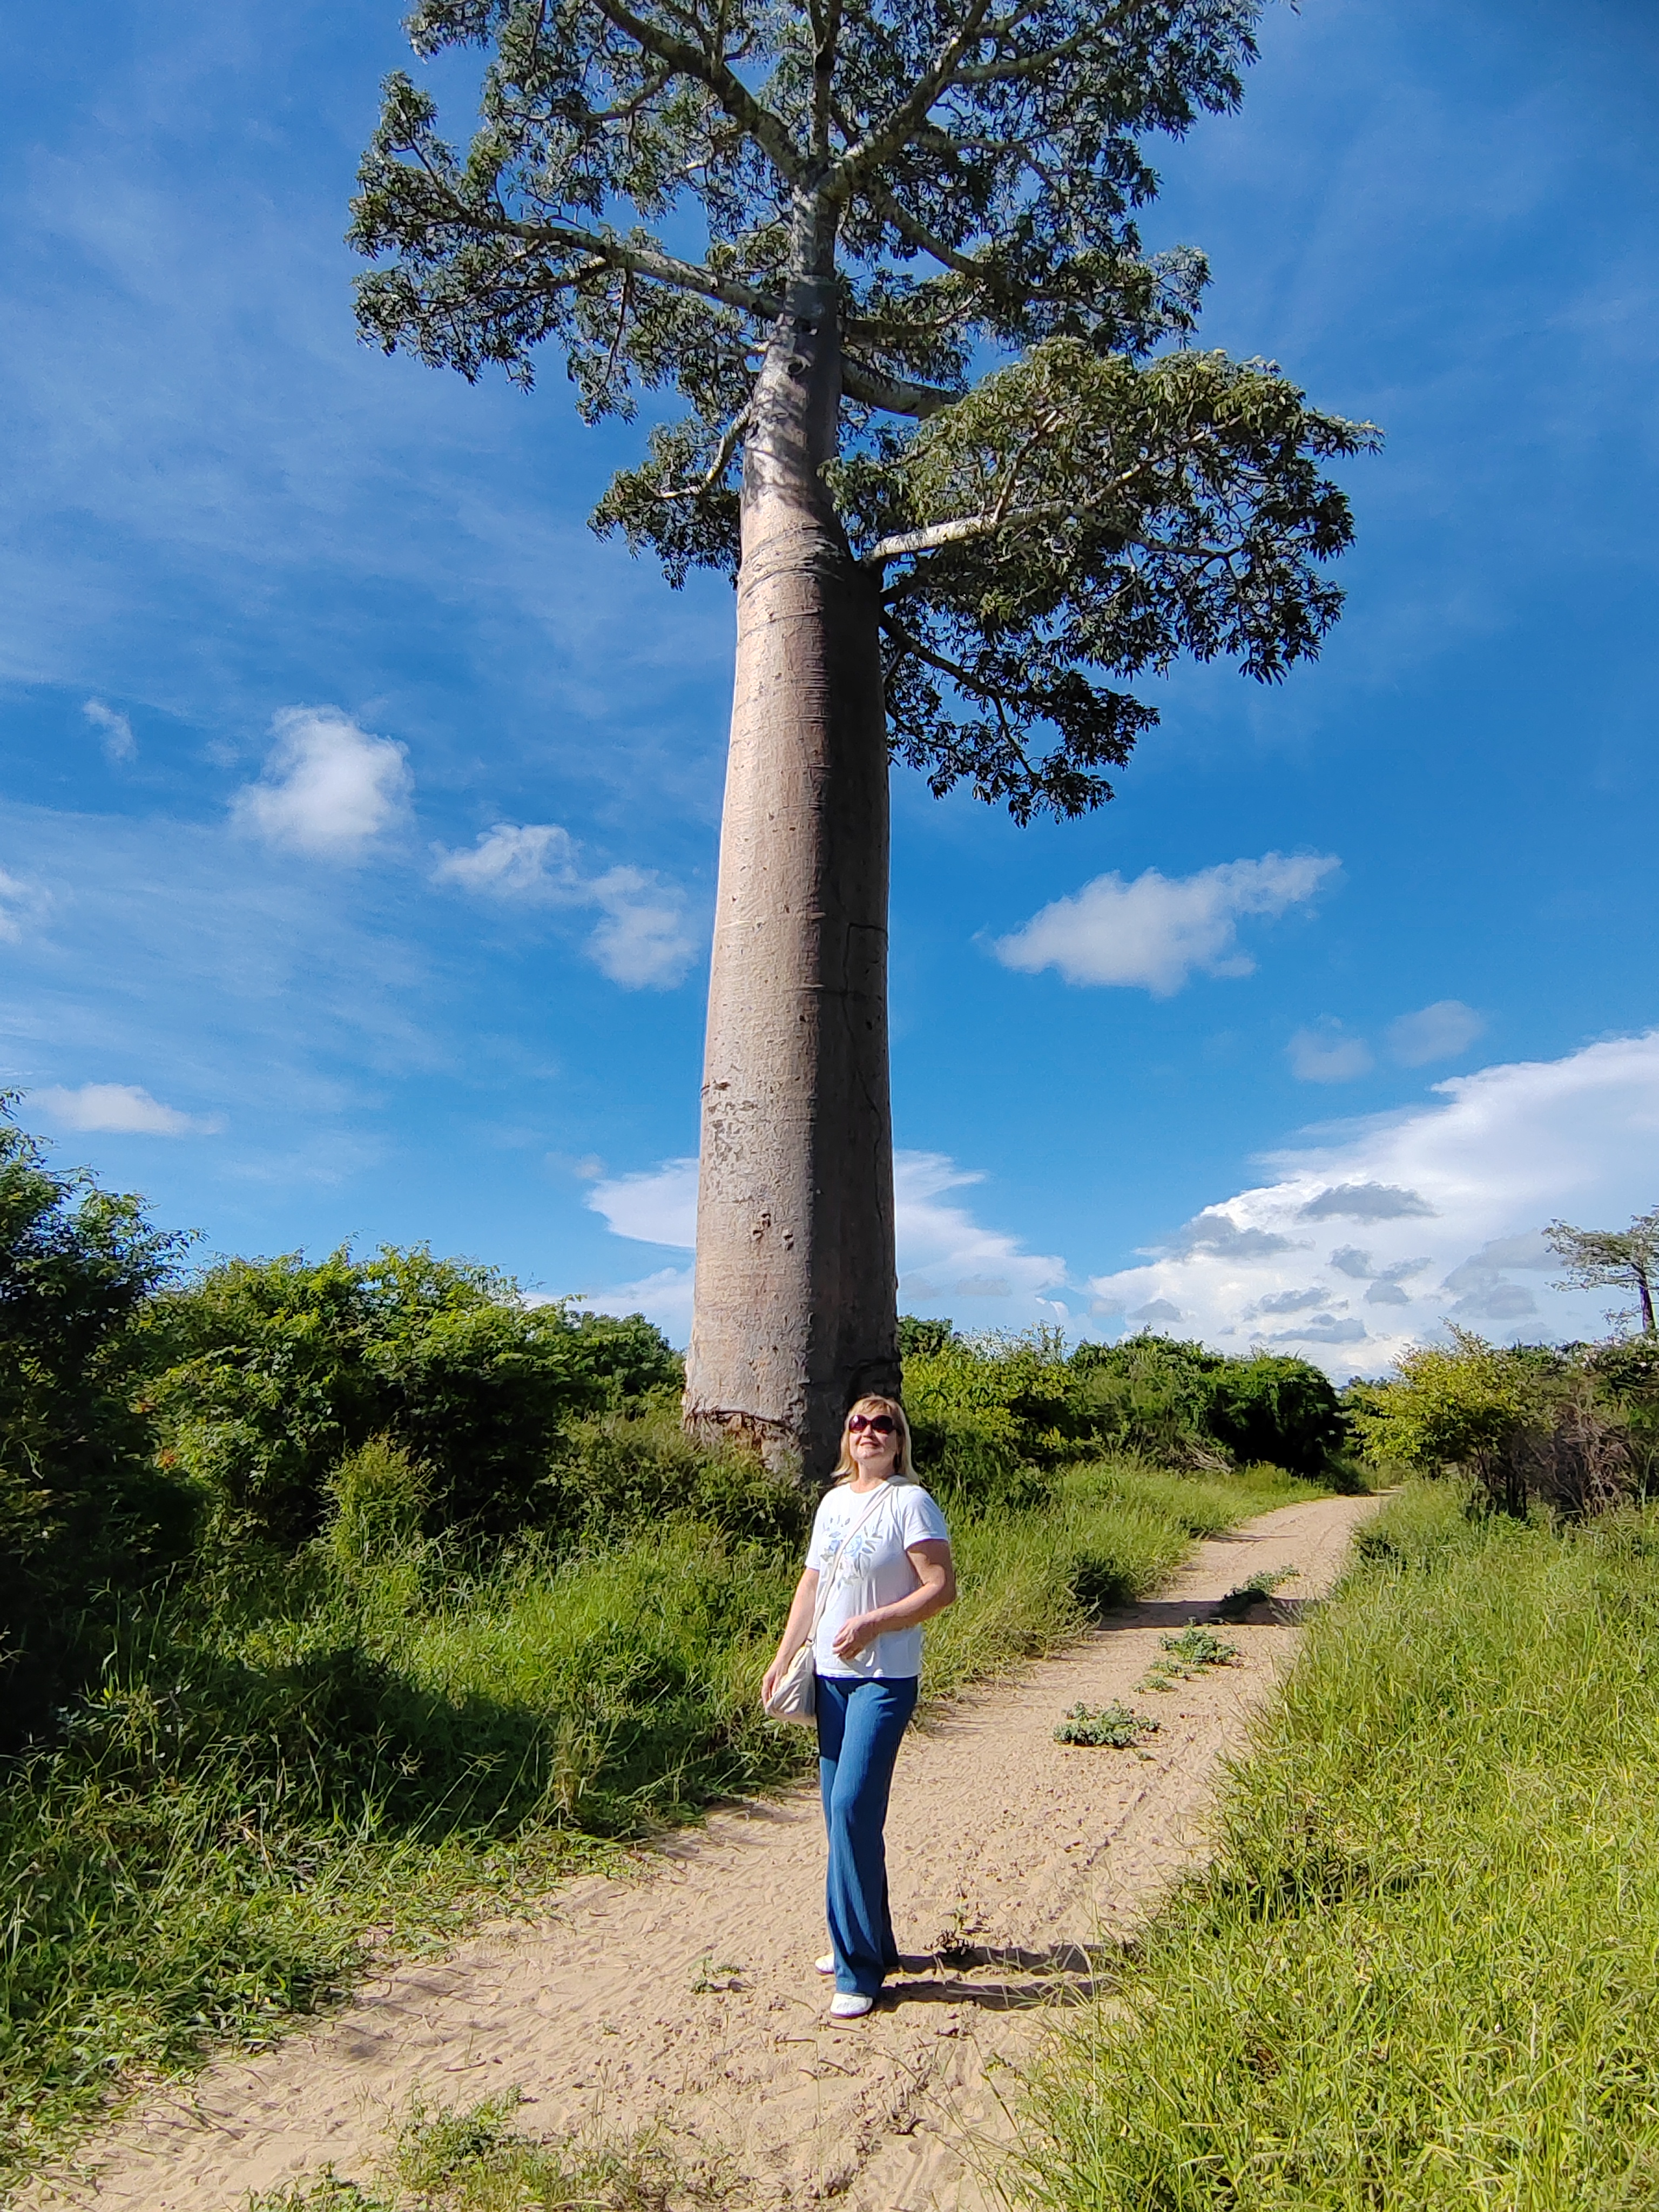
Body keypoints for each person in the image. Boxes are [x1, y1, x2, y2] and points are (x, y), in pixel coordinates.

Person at [761, 1394, 956, 2020]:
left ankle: (859, 1969)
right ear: (846, 1438)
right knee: (844, 1815)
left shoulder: (910, 1502)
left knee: (849, 1807)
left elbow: (941, 1588)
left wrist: (875, 1623)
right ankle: (872, 1940)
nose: (869, 1433)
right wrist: (783, 1653)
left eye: (883, 1425)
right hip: (832, 1677)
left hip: (884, 1679)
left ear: (899, 1439)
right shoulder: (832, 1503)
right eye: (858, 1424)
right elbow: (811, 1585)